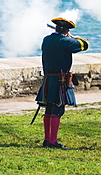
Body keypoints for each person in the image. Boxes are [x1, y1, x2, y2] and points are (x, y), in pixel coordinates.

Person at [35, 17, 89, 150]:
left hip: (49, 79)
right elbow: (84, 45)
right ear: (66, 30)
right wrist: (73, 38)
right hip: (60, 80)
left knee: (49, 109)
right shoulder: (66, 41)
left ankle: (47, 140)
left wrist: (68, 37)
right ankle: (53, 141)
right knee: (57, 110)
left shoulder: (46, 39)